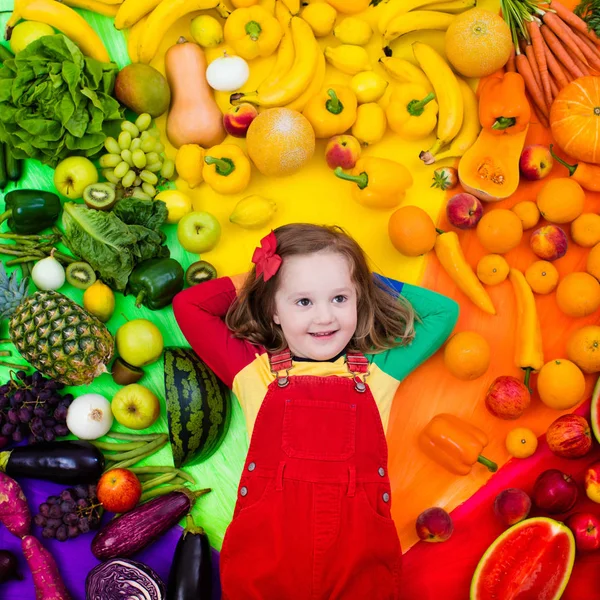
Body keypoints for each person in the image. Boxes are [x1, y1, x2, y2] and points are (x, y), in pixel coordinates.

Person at [173, 223, 459, 600]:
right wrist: (267, 276)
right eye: (303, 301)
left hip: (358, 564)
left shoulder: (378, 374)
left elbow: (444, 312)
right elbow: (189, 306)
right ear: (273, 310)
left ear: (359, 298)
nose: (325, 317)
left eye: (340, 298)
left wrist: (353, 273)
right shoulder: (253, 372)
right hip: (264, 563)